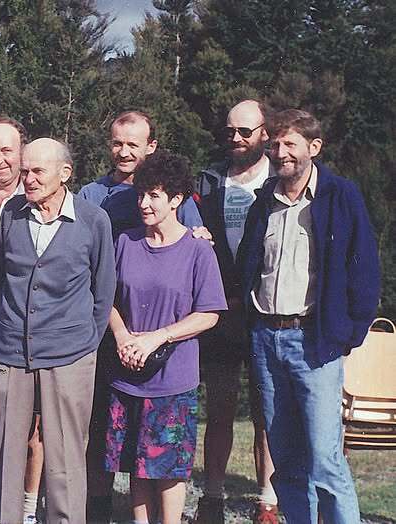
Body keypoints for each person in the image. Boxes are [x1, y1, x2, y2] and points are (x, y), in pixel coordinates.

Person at [238, 109, 380, 523]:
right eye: (276, 144)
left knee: (325, 459)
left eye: (290, 144)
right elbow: (248, 263)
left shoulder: (340, 195)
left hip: (316, 343)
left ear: (314, 148)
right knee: (286, 460)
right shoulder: (264, 199)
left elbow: (366, 272)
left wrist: (346, 334)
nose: (281, 153)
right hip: (266, 339)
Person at [79, 110, 206, 522]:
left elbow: (199, 274)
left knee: (163, 458)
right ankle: (99, 509)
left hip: (163, 354)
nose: (124, 151)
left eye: (134, 144)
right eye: (117, 142)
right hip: (106, 335)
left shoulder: (179, 210)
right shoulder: (92, 195)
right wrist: (121, 334)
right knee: (111, 439)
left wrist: (153, 337)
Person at [0, 137, 115, 524]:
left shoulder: (93, 220)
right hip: (11, 351)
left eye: (37, 171)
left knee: (65, 458)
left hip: (70, 353)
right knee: (5, 456)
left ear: (65, 174)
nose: (27, 178)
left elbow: (103, 288)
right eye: (24, 170)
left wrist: (83, 343)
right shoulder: (11, 212)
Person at [105, 150, 227, 524]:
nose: (144, 203)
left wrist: (158, 338)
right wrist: (124, 336)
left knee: (168, 467)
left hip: (173, 379)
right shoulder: (124, 242)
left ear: (177, 200)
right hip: (126, 374)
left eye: (154, 196)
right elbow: (106, 299)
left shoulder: (197, 250)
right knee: (135, 463)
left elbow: (209, 314)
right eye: (141, 194)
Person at [194, 100, 279, 523]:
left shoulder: (281, 178)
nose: (237, 139)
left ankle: (267, 498)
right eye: (231, 131)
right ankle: (212, 495)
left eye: (246, 132)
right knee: (221, 407)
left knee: (267, 409)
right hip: (222, 308)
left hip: (266, 309)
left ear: (265, 132)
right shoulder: (209, 180)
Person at [0, 115, 42, 523]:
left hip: (28, 327)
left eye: (7, 151)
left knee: (33, 426)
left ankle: (27, 507)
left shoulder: (37, 195)